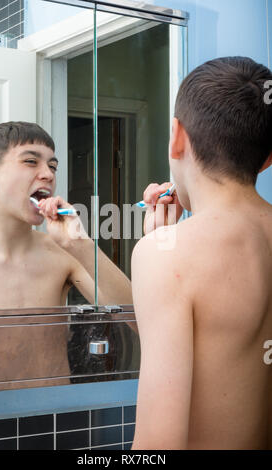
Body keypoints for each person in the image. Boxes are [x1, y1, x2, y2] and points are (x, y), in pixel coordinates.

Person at [131, 56, 272, 450]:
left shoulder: (164, 256)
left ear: (177, 136)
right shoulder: (167, 252)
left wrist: (161, 251)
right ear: (268, 156)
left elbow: (158, 447)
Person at [0, 121, 132, 387]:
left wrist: (81, 245)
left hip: (55, 419)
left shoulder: (61, 255)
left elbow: (136, 320)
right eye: (31, 161)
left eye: (53, 166)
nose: (48, 174)